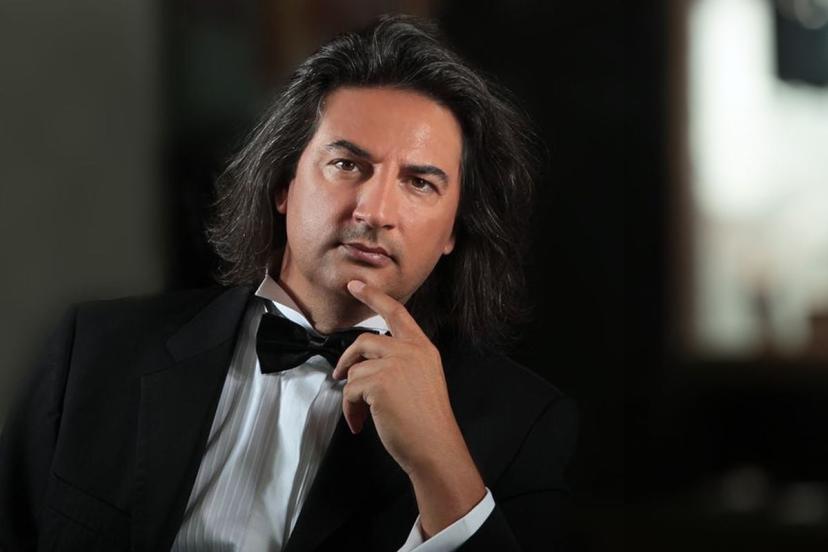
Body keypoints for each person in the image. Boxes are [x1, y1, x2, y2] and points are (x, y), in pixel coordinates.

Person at [0, 15, 577, 552]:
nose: (376, 211)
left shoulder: (525, 426)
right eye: (347, 165)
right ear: (283, 183)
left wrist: (440, 464)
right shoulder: (93, 352)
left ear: (454, 229)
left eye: (420, 183)